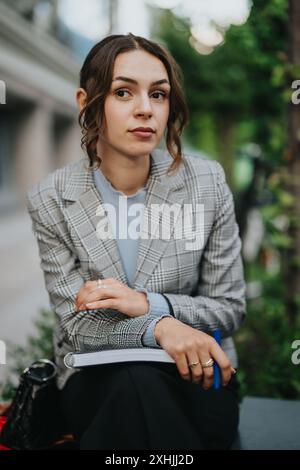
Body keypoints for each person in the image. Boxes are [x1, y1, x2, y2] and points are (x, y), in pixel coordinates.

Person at [26, 33, 246, 450]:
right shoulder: (51, 198)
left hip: (197, 376)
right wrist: (160, 325)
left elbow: (229, 307)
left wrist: (150, 303)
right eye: (123, 92)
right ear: (86, 101)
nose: (145, 109)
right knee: (131, 384)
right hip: (96, 379)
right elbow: (75, 323)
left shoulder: (206, 183)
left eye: (158, 95)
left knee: (139, 400)